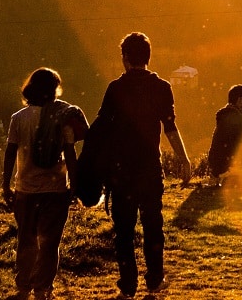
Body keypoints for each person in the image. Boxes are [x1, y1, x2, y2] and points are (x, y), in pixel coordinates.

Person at [95, 32, 192, 298]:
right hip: (149, 168)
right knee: (152, 225)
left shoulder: (116, 88)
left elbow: (101, 127)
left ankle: (128, 285)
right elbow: (169, 127)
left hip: (121, 170)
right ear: (148, 57)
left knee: (124, 230)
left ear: (124, 58)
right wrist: (183, 159)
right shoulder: (161, 87)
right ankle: (155, 279)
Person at [2, 68, 88, 300]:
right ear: (54, 90)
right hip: (56, 190)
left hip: (26, 189)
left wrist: (5, 185)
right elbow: (70, 154)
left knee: (26, 240)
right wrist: (74, 185)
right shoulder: (62, 118)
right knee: (50, 243)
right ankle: (42, 289)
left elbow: (10, 153)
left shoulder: (18, 118)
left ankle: (23, 286)